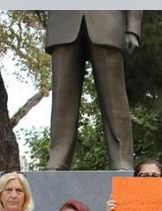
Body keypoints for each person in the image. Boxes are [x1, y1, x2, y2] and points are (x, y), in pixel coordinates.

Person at [45, 11, 142, 170]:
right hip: (62, 20)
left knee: (115, 101)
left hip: (108, 21)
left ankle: (122, 160)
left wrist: (132, 27)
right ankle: (57, 159)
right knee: (61, 100)